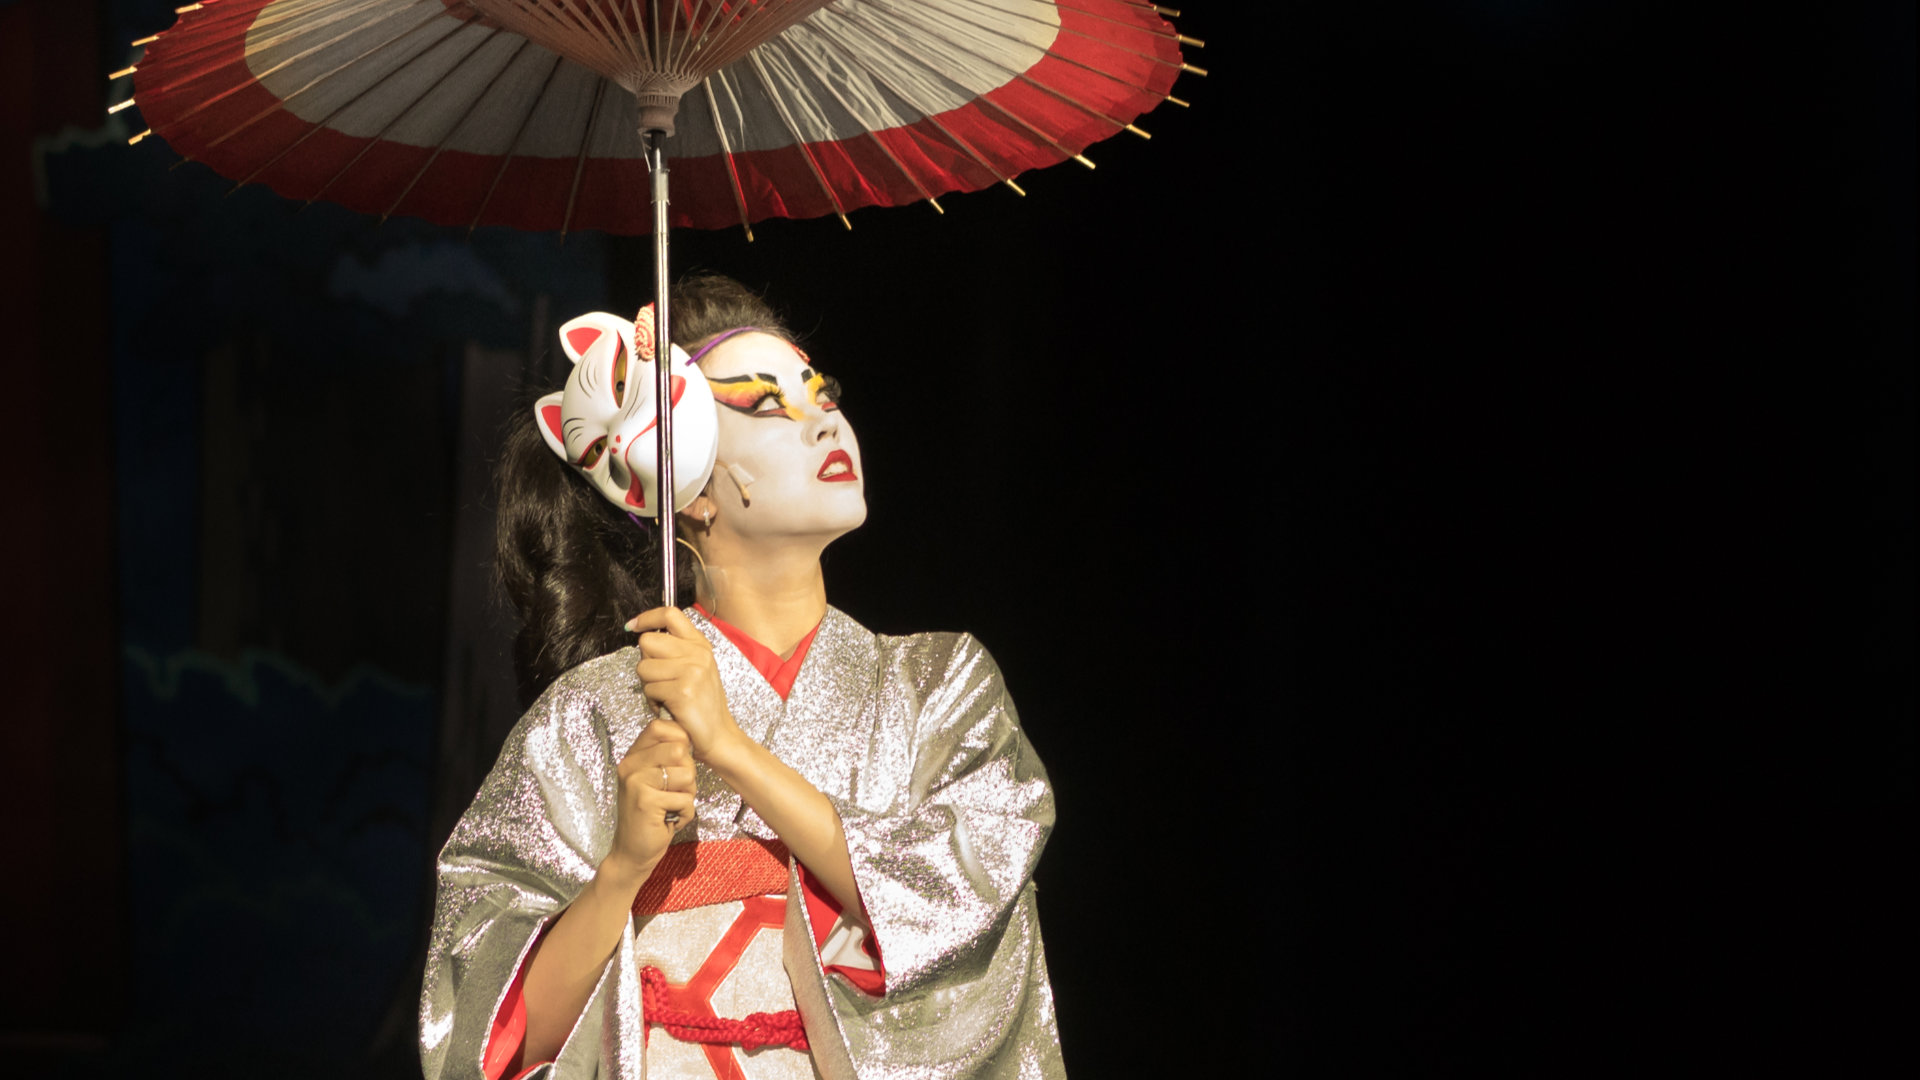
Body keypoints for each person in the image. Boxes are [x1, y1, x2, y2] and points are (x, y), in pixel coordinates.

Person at [419, 276, 1062, 1080]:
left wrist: (730, 749)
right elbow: (492, 1037)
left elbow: (969, 907)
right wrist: (622, 869)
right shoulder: (589, 717)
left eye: (821, 392)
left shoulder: (941, 685)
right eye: (764, 404)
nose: (822, 415)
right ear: (686, 491)